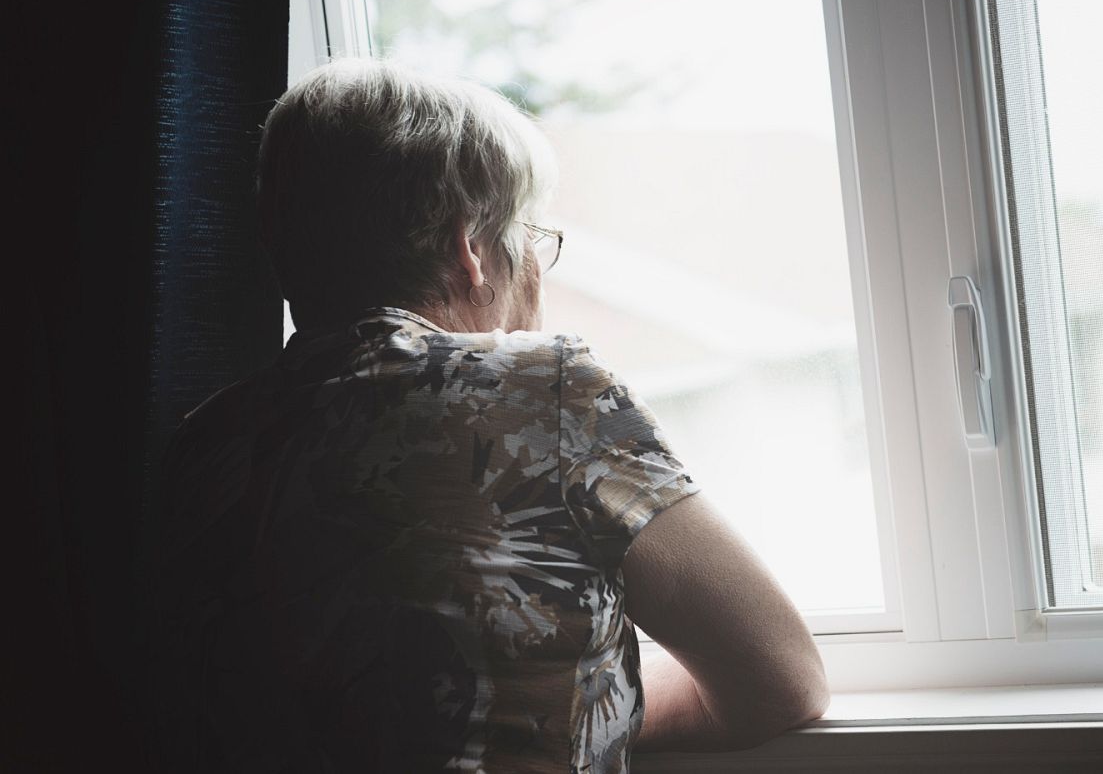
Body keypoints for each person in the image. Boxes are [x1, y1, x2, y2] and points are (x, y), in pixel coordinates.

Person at [144, 58, 830, 773]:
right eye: (532, 237)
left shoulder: (202, 444)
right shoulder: (545, 394)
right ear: (471, 247)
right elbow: (783, 681)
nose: (535, 267)